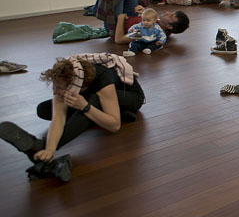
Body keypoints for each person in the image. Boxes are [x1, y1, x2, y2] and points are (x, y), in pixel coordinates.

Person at [0, 53, 146, 182]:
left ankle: (38, 146)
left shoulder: (102, 79)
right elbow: (58, 118)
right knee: (44, 109)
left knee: (91, 102)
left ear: (75, 85)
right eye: (54, 87)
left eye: (60, 88)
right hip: (94, 95)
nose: (56, 91)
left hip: (129, 97)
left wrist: (85, 107)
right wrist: (50, 149)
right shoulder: (67, 75)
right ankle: (46, 147)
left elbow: (114, 125)